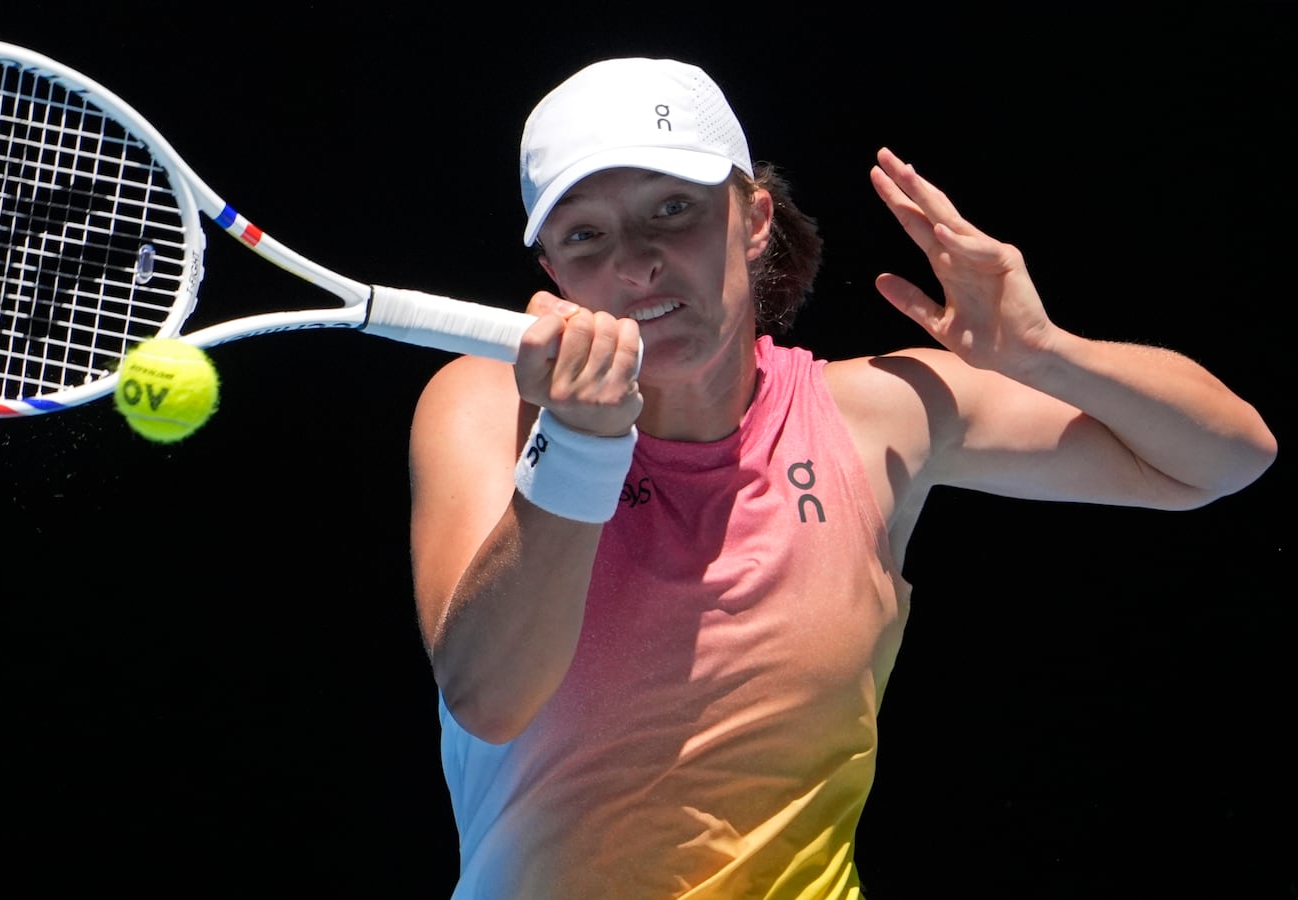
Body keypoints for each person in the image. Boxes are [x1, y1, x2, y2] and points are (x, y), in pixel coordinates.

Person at [406, 57, 1277, 900]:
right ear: (553, 275)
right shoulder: (488, 407)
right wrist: (584, 441)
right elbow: (489, 699)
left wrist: (1046, 355)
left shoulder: (878, 414)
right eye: (586, 235)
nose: (635, 264)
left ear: (752, 219)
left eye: (672, 209)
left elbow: (1227, 460)